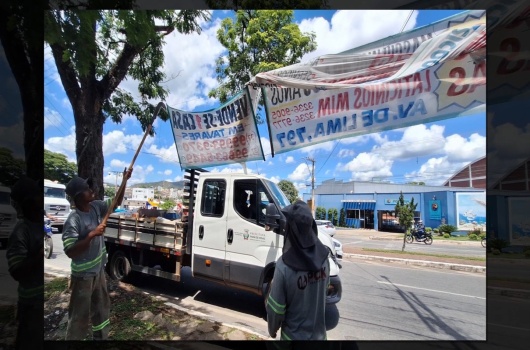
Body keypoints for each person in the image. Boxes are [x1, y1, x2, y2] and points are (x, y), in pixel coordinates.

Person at [62, 168, 132, 340]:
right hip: (83, 277)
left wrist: (124, 181)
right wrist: (92, 234)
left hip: (98, 272)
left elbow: (115, 203)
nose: (91, 190)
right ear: (78, 196)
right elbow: (70, 251)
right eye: (87, 189)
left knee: (101, 311)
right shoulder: (74, 219)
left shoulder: (95, 207)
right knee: (79, 316)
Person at [266, 200, 330, 340]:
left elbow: (275, 310)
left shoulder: (284, 266)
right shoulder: (324, 259)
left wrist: (272, 330)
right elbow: (323, 293)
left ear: (291, 229)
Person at [6, 176, 44, 349]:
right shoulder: (22, 230)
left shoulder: (40, 224)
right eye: (38, 195)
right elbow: (16, 271)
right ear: (28, 202)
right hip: (32, 305)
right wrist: (38, 256)